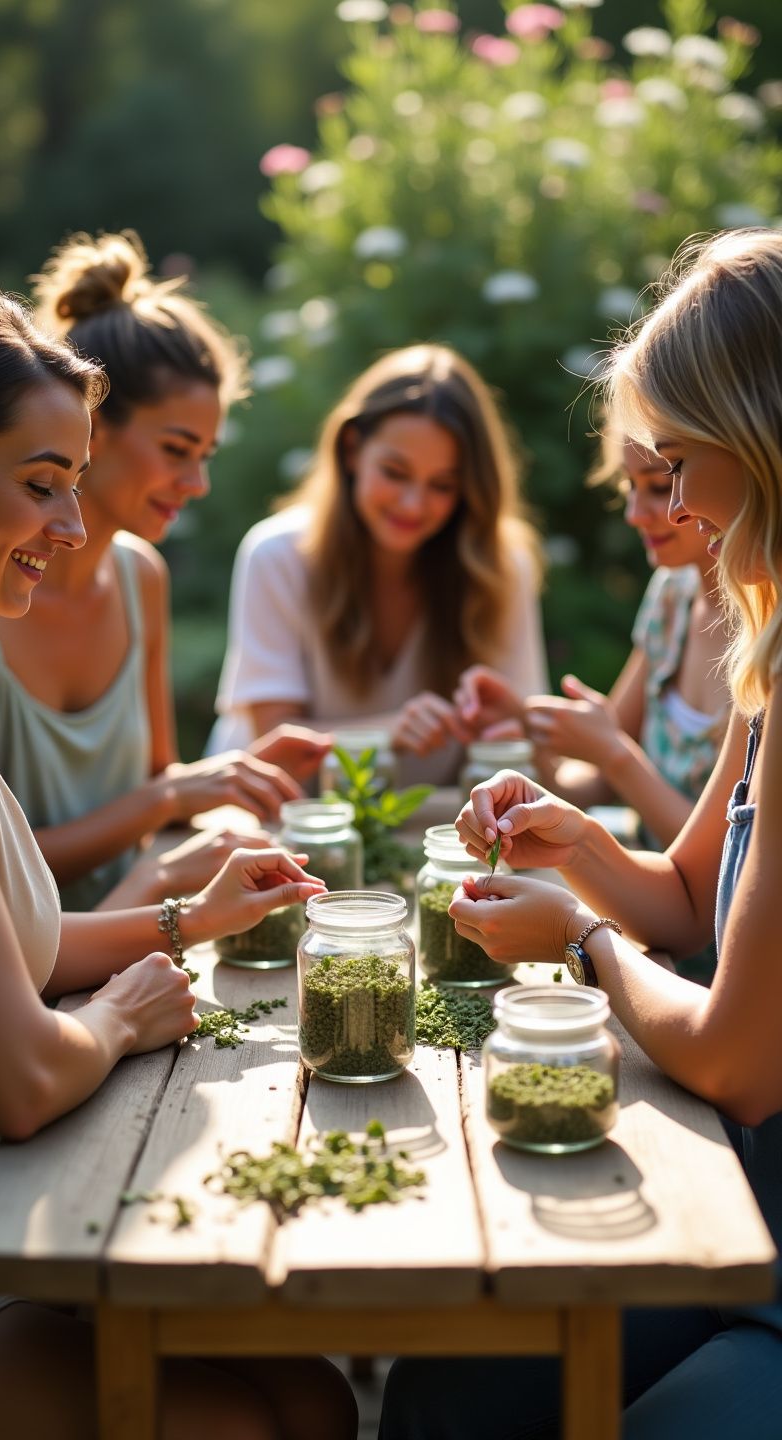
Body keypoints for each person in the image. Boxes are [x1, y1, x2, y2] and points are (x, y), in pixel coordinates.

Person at [380, 228, 782, 1438]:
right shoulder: (766, 662)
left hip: (762, 1229)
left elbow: (734, 1064)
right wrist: (578, 849)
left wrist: (582, 948)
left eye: (675, 460)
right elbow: (682, 889)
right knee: (445, 1392)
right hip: (747, 1197)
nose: (671, 500)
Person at [0, 276, 357, 1440]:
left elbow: (17, 947)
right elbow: (27, 1077)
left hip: (4, 1200)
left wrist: (199, 921)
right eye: (43, 487)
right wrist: (123, 1020)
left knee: (317, 1398)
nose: (74, 526)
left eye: (75, 487)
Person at [0, 231, 332, 910]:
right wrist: (171, 797)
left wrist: (224, 777)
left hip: (126, 937)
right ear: (93, 428)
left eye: (207, 455)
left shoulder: (142, 578)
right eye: (176, 449)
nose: (197, 483)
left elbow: (155, 791)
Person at [210, 344, 549, 785]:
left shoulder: (503, 570)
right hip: (278, 820)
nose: (413, 504)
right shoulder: (276, 554)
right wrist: (388, 730)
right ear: (352, 450)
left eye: (442, 485)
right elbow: (275, 744)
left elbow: (523, 740)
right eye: (394, 472)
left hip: (429, 823)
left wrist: (505, 729)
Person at [455, 431, 731, 849]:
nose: (635, 514)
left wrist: (615, 755)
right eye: (628, 486)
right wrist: (532, 731)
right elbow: (592, 787)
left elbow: (723, 859)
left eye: (660, 484)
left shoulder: (762, 637)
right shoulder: (672, 596)